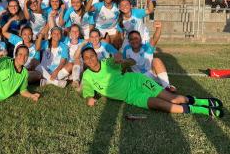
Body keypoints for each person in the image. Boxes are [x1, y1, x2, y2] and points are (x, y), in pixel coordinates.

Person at [80, 47, 224, 118]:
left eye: (92, 56)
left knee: (171, 98)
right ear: (84, 61)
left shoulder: (107, 63)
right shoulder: (86, 75)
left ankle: (200, 102)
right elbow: (87, 91)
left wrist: (119, 59)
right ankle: (200, 110)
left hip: (137, 81)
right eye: (86, 58)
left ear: (96, 56)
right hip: (131, 97)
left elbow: (120, 61)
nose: (90, 60)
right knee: (159, 104)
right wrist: (89, 99)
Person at [122, 21, 176, 92]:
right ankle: (155, 87)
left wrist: (158, 28)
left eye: (136, 38)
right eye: (131, 39)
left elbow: (155, 39)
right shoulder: (126, 50)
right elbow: (123, 65)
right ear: (129, 41)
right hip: (138, 78)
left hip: (151, 74)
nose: (134, 41)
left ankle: (166, 86)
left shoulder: (147, 47)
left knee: (156, 60)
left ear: (141, 39)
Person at [61, 24, 85, 90]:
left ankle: (76, 81)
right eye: (73, 31)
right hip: (68, 66)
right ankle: (69, 78)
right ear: (70, 33)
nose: (74, 33)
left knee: (77, 59)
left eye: (77, 31)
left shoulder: (83, 42)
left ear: (79, 33)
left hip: (78, 67)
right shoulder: (65, 41)